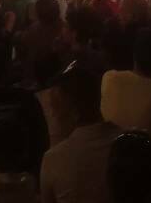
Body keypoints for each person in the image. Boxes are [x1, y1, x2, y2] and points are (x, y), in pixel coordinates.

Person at [40, 68, 121, 203]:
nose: (53, 116)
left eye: (56, 108)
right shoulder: (130, 143)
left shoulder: (53, 160)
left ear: (74, 113)